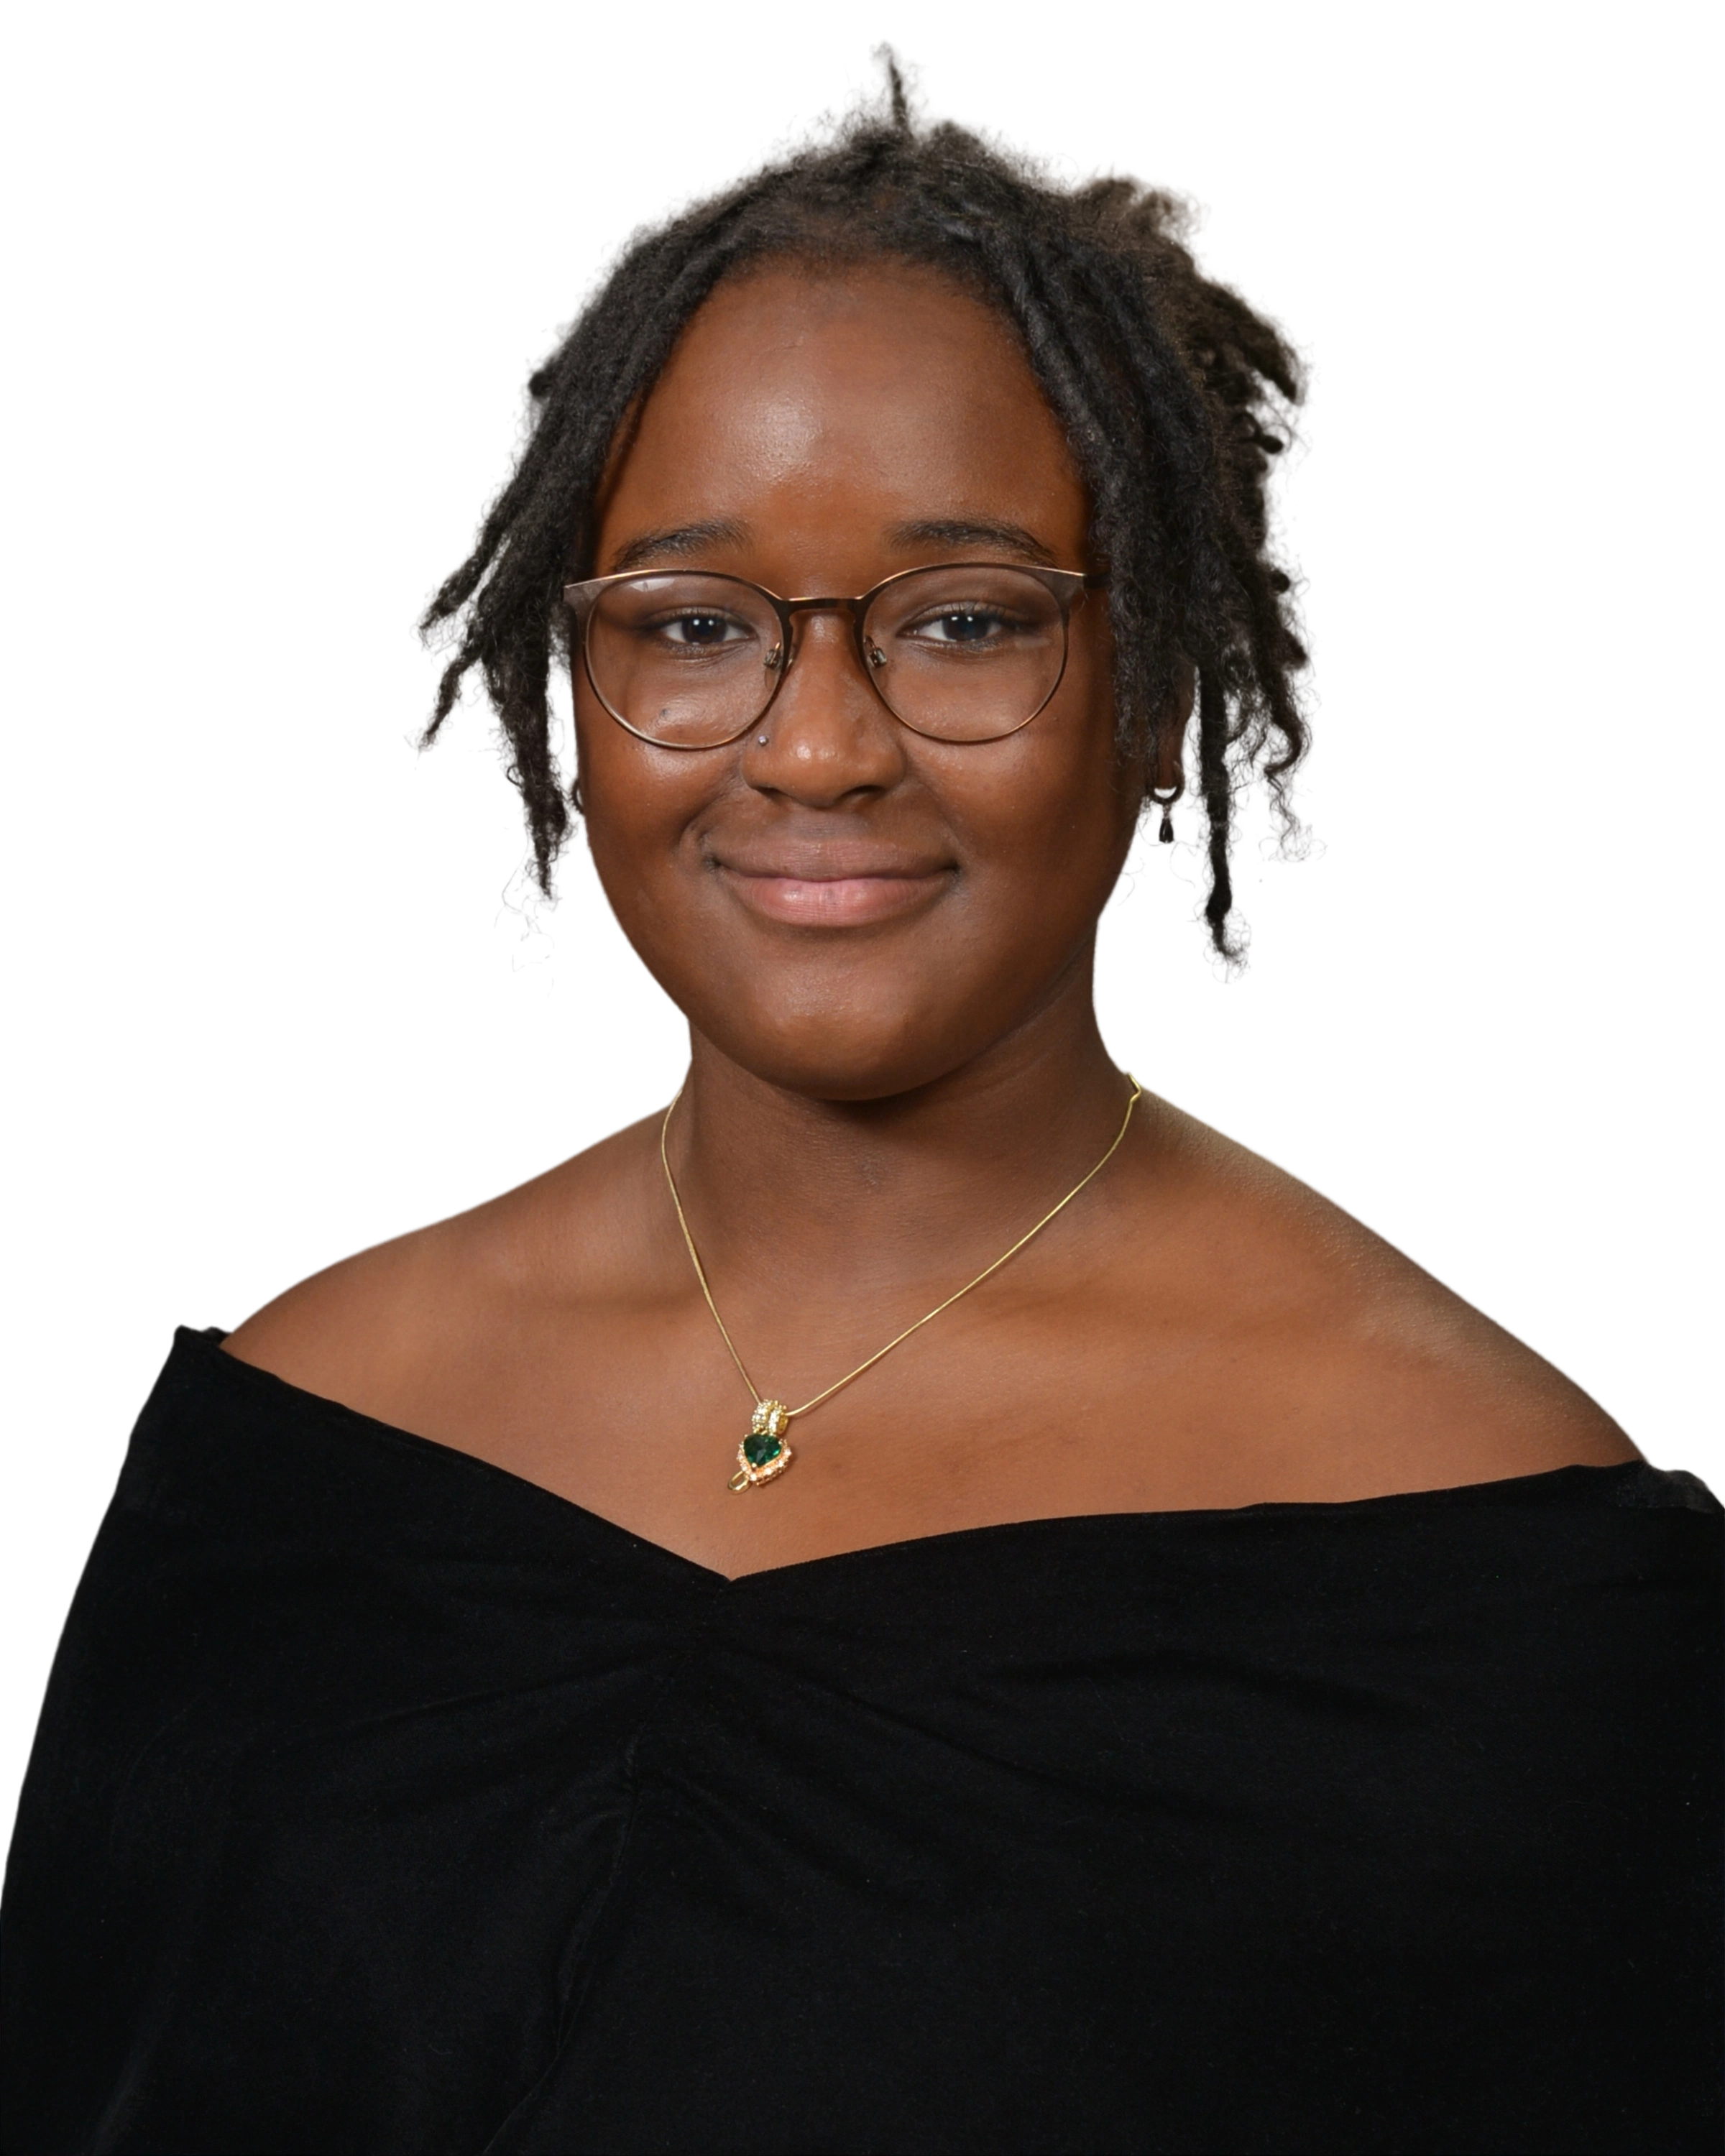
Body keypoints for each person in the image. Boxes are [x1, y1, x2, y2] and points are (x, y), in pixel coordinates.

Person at [5, 42, 1718, 2156]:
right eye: (696, 624)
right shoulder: (296, 1432)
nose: (817, 748)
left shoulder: (1498, 1567)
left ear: (1166, 692)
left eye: (967, 620)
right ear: (572, 693)